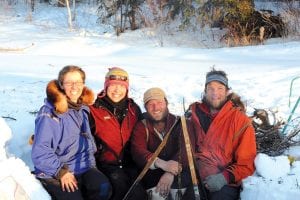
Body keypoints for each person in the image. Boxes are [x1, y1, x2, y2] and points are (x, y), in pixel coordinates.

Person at [31, 65, 111, 200]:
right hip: (56, 170)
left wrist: (92, 166)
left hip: (83, 166)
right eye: (69, 83)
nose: (74, 87)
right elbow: (40, 151)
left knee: (103, 187)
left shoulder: (83, 108)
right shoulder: (51, 113)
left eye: (78, 82)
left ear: (83, 84)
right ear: (61, 85)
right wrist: (61, 172)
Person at [188, 68, 257, 200]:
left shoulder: (240, 120)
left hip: (224, 181)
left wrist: (224, 177)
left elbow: (246, 163)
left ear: (227, 91)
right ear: (205, 91)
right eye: (210, 88)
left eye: (220, 88)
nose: (215, 93)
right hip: (195, 177)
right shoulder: (194, 115)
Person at [89, 67, 146, 200]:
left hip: (129, 164)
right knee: (119, 188)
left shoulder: (133, 109)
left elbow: (142, 134)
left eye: (121, 86)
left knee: (139, 193)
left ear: (126, 88)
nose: (117, 90)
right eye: (113, 85)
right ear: (106, 86)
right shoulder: (94, 109)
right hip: (104, 165)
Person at [131, 87, 193, 200]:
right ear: (145, 108)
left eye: (159, 102)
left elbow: (187, 149)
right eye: (151, 104)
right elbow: (138, 151)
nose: (156, 108)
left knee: (179, 192)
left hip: (179, 172)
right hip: (152, 175)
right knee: (157, 194)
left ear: (166, 103)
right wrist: (161, 163)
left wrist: (171, 172)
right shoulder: (141, 126)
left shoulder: (181, 123)